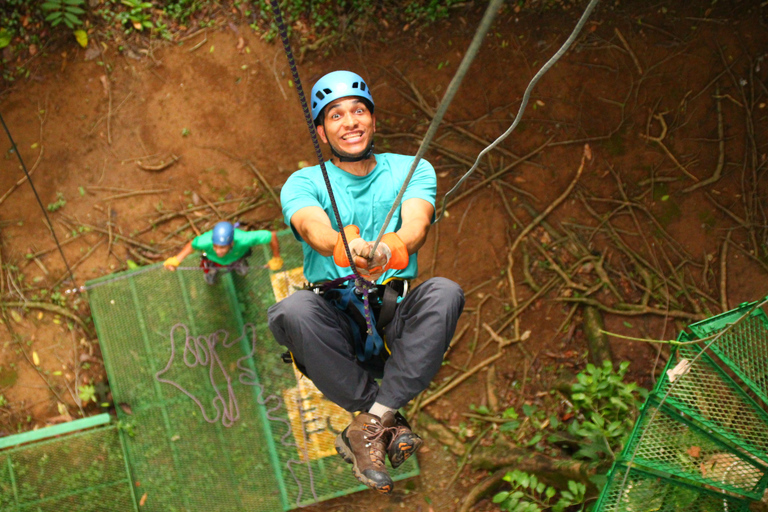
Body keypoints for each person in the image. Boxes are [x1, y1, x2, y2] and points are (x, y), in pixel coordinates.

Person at [267, 70, 464, 494]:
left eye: (358, 111)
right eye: (335, 116)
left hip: (394, 311)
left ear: (372, 120)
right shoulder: (305, 182)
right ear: (322, 131)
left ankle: (368, 425)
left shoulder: (412, 169)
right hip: (334, 318)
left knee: (445, 292)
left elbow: (417, 222)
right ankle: (383, 420)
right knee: (292, 310)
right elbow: (310, 224)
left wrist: (390, 248)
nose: (350, 122)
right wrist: (344, 248)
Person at [163, 221, 282, 284]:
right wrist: (177, 259)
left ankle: (238, 265)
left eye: (222, 248)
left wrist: (276, 257)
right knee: (211, 265)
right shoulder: (205, 241)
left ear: (231, 243)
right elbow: (192, 245)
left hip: (237, 256)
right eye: (215, 246)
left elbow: (271, 236)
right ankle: (212, 271)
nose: (218, 251)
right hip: (213, 260)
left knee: (237, 261)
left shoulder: (244, 239)